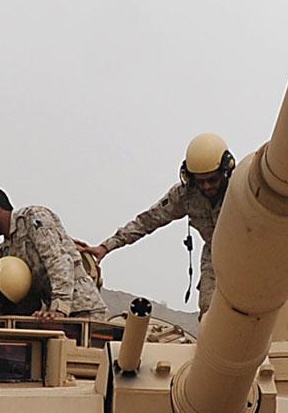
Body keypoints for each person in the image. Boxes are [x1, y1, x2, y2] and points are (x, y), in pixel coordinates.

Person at [88, 134, 235, 314]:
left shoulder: (242, 189)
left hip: (252, 251)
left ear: (225, 172)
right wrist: (106, 246)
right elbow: (147, 221)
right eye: (200, 181)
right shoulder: (185, 196)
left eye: (212, 180)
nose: (206, 187)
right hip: (214, 254)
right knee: (209, 310)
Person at [0, 186, 108, 319]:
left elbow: (58, 261)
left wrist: (60, 309)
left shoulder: (33, 218)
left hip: (84, 312)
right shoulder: (8, 250)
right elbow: (28, 303)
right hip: (56, 316)